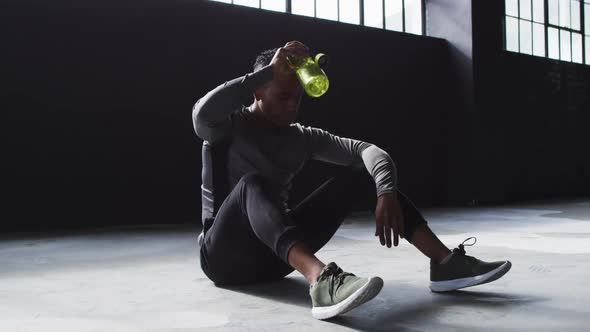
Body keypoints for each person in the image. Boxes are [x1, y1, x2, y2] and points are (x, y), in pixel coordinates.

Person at [191, 41, 511, 320]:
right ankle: (321, 281)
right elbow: (201, 113)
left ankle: (445, 264)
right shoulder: (226, 126)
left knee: (360, 175)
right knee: (253, 184)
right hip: (223, 258)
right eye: (283, 96)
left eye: (298, 98)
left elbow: (369, 151)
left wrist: (385, 192)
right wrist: (266, 71)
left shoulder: (301, 138)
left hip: (274, 259)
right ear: (258, 91)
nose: (293, 106)